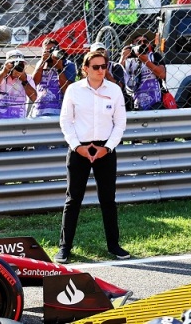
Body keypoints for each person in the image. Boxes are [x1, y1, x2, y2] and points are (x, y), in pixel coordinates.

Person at [56, 50, 129, 263]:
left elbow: (120, 123)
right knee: (73, 199)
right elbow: (65, 121)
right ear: (85, 69)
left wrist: (107, 147)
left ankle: (114, 245)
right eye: (95, 67)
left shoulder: (114, 90)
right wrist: (77, 146)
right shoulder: (74, 90)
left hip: (105, 150)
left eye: (103, 66)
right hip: (79, 149)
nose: (100, 71)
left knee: (108, 199)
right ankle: (64, 247)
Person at [32, 38, 76, 118]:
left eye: (52, 50)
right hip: (39, 110)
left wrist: (59, 69)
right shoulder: (41, 63)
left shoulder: (68, 65)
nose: (50, 53)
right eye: (47, 50)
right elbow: (34, 83)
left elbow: (67, 90)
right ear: (43, 51)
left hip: (60, 111)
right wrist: (42, 62)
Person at [120, 33, 166, 110]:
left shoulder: (154, 56)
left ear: (149, 44)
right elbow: (118, 76)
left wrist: (146, 61)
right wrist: (123, 57)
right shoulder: (128, 59)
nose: (142, 44)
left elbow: (162, 74)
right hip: (133, 101)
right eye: (138, 42)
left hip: (155, 101)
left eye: (145, 42)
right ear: (132, 44)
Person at [0, 49, 36, 119]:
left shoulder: (28, 78)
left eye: (20, 63)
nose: (17, 66)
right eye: (14, 63)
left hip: (19, 120)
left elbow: (34, 98)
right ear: (7, 64)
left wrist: (24, 80)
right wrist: (4, 72)